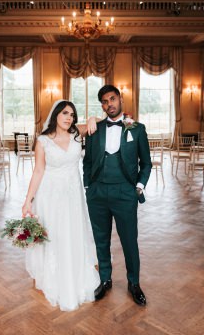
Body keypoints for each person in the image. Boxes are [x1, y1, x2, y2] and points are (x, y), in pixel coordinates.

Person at [21, 100, 100, 311]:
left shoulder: (76, 133)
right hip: (50, 196)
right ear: (56, 114)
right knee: (55, 234)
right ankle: (55, 274)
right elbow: (38, 171)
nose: (69, 118)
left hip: (73, 196)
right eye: (65, 113)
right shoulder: (43, 141)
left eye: (72, 115)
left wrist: (92, 118)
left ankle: (74, 270)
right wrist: (28, 200)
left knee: (72, 232)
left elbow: (100, 121)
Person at [82, 85, 152, 306]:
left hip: (125, 192)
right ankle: (105, 279)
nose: (108, 104)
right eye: (104, 101)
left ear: (120, 99)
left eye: (112, 99)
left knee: (129, 241)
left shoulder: (137, 129)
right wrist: (88, 186)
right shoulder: (95, 129)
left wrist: (139, 186)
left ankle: (134, 283)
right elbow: (87, 162)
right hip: (98, 193)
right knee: (101, 240)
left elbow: (146, 163)